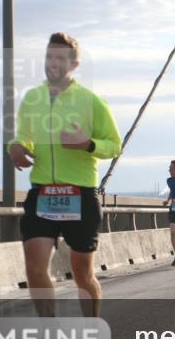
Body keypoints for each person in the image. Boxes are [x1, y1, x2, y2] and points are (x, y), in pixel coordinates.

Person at [9, 32, 121, 317]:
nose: (52, 63)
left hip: (79, 194)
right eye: (49, 56)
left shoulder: (91, 101)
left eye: (59, 58)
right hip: (43, 193)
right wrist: (17, 148)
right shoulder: (33, 98)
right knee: (34, 268)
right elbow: (24, 137)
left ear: (74, 64)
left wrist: (88, 144)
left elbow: (114, 145)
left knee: (82, 273)